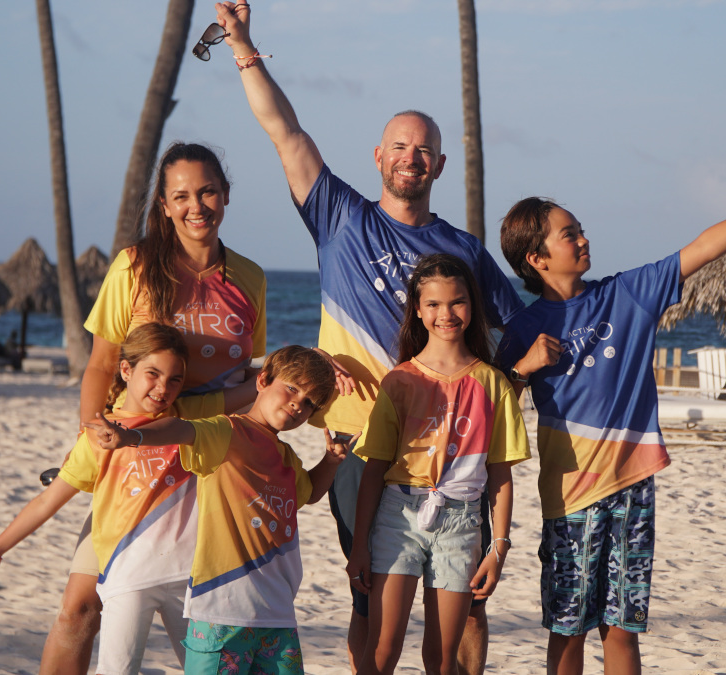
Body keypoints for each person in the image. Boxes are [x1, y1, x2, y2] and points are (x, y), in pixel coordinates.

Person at [214, 3, 524, 671]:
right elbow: (285, 132)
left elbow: (517, 332)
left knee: (468, 604)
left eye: (424, 150)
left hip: (451, 449)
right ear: (379, 157)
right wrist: (243, 46)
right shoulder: (341, 218)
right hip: (358, 444)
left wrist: (517, 382)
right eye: (400, 147)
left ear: (439, 165)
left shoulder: (463, 250)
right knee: (370, 601)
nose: (411, 158)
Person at [493, 172, 726, 674]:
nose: (583, 240)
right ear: (537, 259)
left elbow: (704, 247)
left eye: (581, 230)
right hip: (570, 496)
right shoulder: (523, 328)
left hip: (632, 486)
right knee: (568, 630)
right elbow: (494, 407)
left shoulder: (628, 294)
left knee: (622, 629)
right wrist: (523, 368)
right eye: (569, 234)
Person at [42, 141, 266, 675]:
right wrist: (91, 432)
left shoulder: (250, 277)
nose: (196, 206)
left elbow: (249, 378)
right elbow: (101, 365)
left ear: (226, 194)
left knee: (212, 620)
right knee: (81, 607)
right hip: (136, 459)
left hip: (210, 463)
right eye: (181, 196)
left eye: (207, 191)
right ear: (164, 206)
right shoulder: (135, 267)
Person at [87, 345, 351, 674]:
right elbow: (180, 429)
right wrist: (131, 436)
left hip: (277, 611)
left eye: (310, 402)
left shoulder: (286, 457)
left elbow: (308, 494)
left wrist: (332, 461)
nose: (299, 404)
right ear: (263, 380)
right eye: (292, 388)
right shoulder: (227, 431)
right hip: (223, 611)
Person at [0, 323, 197, 675]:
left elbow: (254, 396)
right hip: (126, 574)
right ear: (126, 370)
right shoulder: (97, 438)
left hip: (186, 575)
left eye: (175, 380)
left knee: (207, 668)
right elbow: (48, 501)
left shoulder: (188, 419)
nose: (162, 388)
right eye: (152, 374)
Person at [345, 255, 530, 675]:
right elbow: (374, 470)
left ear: (473, 306)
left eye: (457, 302)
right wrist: (359, 546)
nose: (446, 314)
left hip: (462, 522)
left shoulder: (493, 383)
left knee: (442, 658)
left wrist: (498, 548)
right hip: (398, 517)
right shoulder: (400, 380)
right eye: (433, 304)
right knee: (382, 649)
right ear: (417, 309)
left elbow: (500, 474)